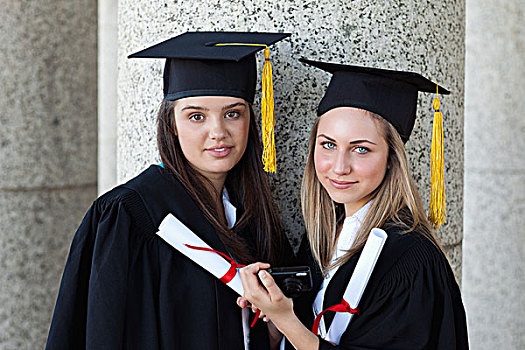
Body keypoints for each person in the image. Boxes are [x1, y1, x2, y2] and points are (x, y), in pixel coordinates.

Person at [46, 32, 292, 350]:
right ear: (171, 124)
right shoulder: (130, 215)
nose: (218, 132)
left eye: (233, 113)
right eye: (196, 116)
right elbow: (105, 334)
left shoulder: (253, 218)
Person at [238, 58, 469, 349]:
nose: (339, 167)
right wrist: (271, 313)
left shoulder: (411, 260)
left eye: (361, 149)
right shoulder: (325, 233)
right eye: (328, 145)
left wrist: (285, 320)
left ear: (391, 161)